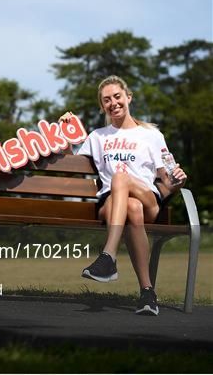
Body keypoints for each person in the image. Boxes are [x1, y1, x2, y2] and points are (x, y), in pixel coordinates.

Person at [59, 75, 187, 316]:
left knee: (121, 178)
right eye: (106, 100)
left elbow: (167, 178)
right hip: (111, 202)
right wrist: (65, 135)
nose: (113, 103)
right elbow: (70, 166)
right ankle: (148, 293)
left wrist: (179, 178)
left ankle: (108, 256)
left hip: (148, 198)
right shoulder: (97, 137)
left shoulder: (151, 135)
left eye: (117, 96)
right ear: (102, 106)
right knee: (132, 208)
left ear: (128, 97)